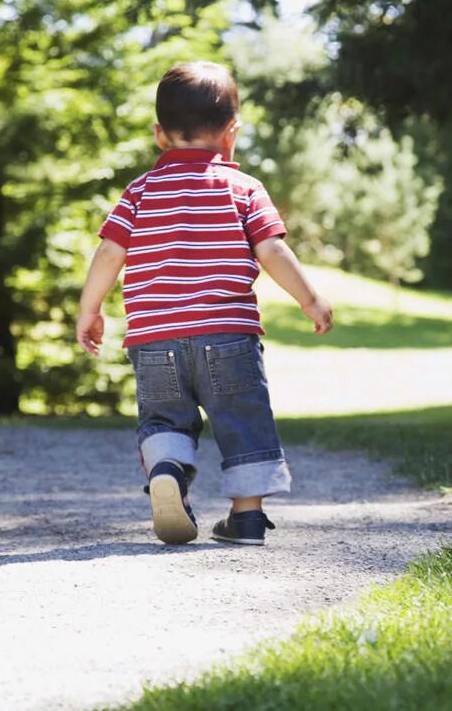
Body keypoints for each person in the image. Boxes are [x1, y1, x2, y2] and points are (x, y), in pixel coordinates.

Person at [76, 61, 333, 546]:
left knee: (164, 420)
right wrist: (310, 299)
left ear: (160, 135)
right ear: (231, 132)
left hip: (154, 339)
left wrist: (90, 310)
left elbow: (111, 251)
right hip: (228, 335)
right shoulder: (243, 188)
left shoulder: (139, 191)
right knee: (243, 419)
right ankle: (247, 519)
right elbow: (273, 249)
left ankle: (169, 468)